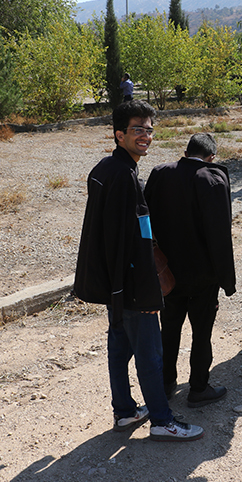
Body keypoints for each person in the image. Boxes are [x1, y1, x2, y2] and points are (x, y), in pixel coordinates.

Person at [74, 100, 203, 441]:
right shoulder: (124, 178)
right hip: (132, 286)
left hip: (115, 285)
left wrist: (115, 289)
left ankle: (125, 411)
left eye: (149, 129)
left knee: (118, 348)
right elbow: (130, 243)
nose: (145, 136)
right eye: (137, 130)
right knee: (150, 355)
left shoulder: (105, 169)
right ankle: (162, 420)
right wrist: (143, 290)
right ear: (119, 134)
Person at [144, 133, 236, 408]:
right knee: (201, 333)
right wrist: (226, 280)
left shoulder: (160, 173)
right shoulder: (213, 180)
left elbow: (146, 218)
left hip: (168, 274)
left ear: (186, 152)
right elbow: (220, 237)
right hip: (203, 277)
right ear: (211, 157)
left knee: (169, 330)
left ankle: (166, 383)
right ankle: (198, 388)